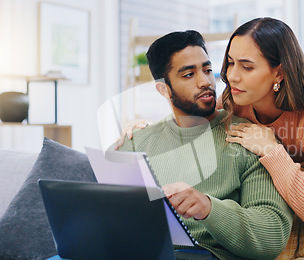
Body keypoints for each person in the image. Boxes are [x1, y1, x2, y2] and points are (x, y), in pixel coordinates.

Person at [119, 17, 304, 236]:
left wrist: (272, 150)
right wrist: (145, 129)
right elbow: (191, 113)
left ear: (279, 73)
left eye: (246, 67)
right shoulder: (236, 101)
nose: (230, 76)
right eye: (230, 63)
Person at [115, 30, 293, 260]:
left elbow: (272, 236)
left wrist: (208, 208)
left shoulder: (250, 138)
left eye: (207, 70)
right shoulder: (135, 143)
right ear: (163, 89)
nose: (206, 82)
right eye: (189, 75)